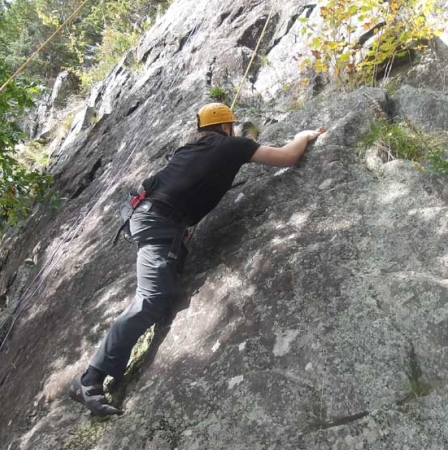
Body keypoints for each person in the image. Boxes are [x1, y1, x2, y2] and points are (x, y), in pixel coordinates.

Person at [71, 103, 323, 415]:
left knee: (164, 287)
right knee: (152, 298)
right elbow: (287, 156)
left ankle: (108, 365)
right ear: (227, 127)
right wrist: (303, 135)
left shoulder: (187, 150)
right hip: (158, 222)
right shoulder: (234, 145)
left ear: (202, 128)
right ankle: (90, 379)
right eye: (231, 127)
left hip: (152, 218)